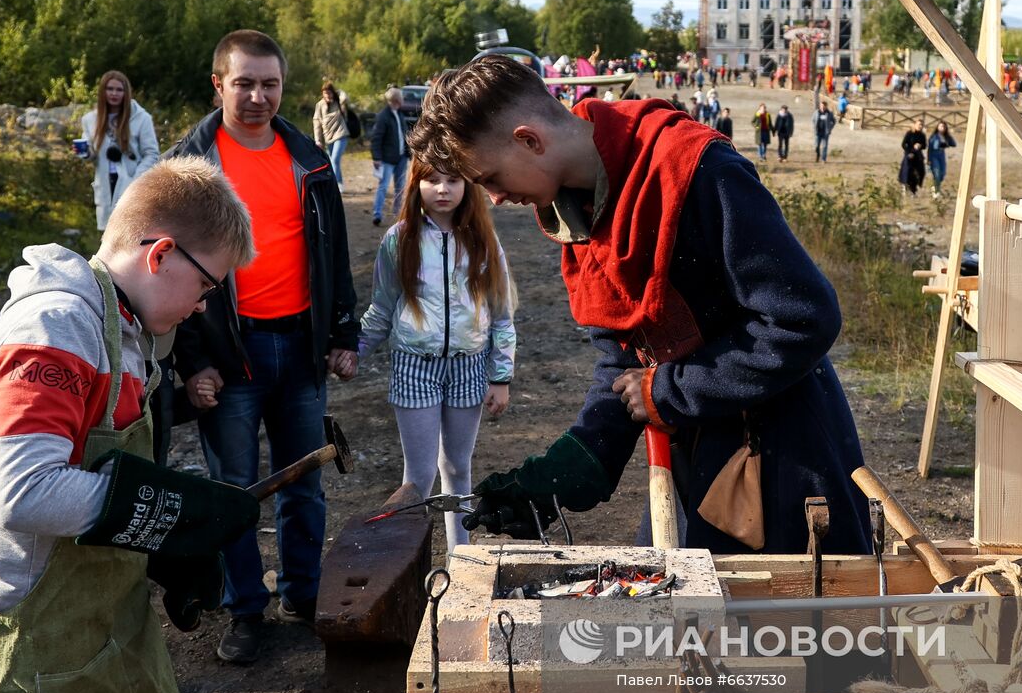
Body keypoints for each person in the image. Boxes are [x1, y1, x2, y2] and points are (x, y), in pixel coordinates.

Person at [409, 55, 871, 556]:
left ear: (529, 140)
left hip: (780, 456)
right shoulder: (574, 208)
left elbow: (802, 318)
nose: (494, 199)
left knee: (781, 629)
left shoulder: (695, 170)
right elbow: (627, 361)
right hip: (686, 457)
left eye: (492, 177)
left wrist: (672, 389)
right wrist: (569, 472)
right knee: (678, 621)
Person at [0, 158, 258, 693]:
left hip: (99, 620)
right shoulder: (57, 326)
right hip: (35, 638)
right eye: (209, 285)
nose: (204, 305)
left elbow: (96, 470)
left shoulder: (123, 331)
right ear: (161, 254)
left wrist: (162, 542)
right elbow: (25, 489)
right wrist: (168, 510)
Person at [165, 29, 360, 665]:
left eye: (269, 83)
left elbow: (333, 252)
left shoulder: (310, 161)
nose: (256, 96)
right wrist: (192, 363)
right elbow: (163, 272)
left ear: (284, 87)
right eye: (243, 82)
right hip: (229, 358)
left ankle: (302, 596)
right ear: (218, 84)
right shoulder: (189, 169)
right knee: (234, 489)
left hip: (301, 349)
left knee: (305, 484)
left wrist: (340, 333)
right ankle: (245, 611)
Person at [357, 161, 516, 552]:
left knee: (458, 467)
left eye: (452, 180)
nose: (442, 189)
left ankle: (459, 553)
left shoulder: (482, 240)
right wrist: (352, 352)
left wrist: (501, 376)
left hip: (469, 365)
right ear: (416, 184)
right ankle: (410, 561)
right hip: (415, 366)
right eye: (431, 180)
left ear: (467, 185)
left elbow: (501, 312)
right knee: (419, 475)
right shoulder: (400, 239)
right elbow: (382, 307)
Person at [80, 70, 159, 230]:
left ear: (126, 92)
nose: (114, 94)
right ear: (103, 91)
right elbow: (92, 154)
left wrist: (136, 178)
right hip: (105, 181)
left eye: (119, 89)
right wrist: (85, 152)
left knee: (130, 231)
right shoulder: (90, 120)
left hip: (131, 179)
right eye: (110, 89)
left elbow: (151, 153)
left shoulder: (141, 118)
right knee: (107, 234)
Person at [371, 87, 413, 226]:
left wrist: (409, 153)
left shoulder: (399, 114)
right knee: (383, 186)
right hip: (387, 159)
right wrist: (376, 157)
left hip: (401, 157)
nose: (403, 100)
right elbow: (376, 138)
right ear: (396, 100)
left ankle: (398, 215)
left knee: (400, 188)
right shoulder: (383, 116)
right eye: (401, 98)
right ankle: (377, 214)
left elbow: (405, 135)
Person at [313, 80, 353, 189]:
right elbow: (317, 123)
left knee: (335, 159)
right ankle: (336, 183)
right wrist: (318, 140)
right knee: (331, 161)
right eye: (325, 93)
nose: (327, 95)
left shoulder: (339, 101)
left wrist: (338, 92)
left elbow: (345, 98)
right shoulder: (320, 105)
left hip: (341, 134)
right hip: (328, 137)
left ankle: (337, 185)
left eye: (329, 93)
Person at [899, 118, 928, 197]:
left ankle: (914, 190)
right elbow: (903, 144)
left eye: (922, 125)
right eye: (919, 124)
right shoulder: (909, 133)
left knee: (920, 172)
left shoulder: (922, 135)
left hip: (918, 155)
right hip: (909, 155)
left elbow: (925, 145)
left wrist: (920, 145)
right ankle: (905, 187)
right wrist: (910, 151)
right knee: (907, 172)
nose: (920, 126)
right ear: (915, 125)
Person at [926, 121, 956, 195]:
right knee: (936, 173)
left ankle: (935, 187)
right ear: (937, 127)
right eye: (941, 126)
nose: (942, 128)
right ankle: (936, 191)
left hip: (941, 155)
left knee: (942, 173)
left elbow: (953, 144)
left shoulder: (946, 137)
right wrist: (929, 159)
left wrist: (947, 142)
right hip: (934, 155)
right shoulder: (934, 136)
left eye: (944, 127)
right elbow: (930, 148)